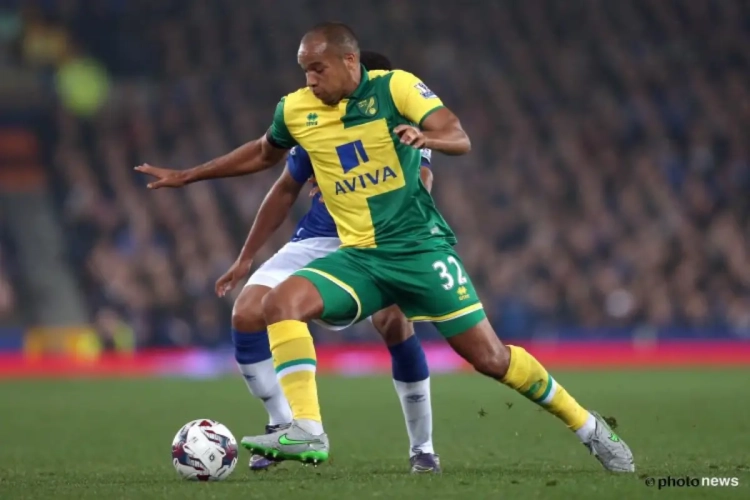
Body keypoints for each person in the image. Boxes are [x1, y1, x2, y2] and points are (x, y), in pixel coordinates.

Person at [136, 22, 635, 473]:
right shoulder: (296, 109)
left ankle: (588, 426)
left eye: (318, 69)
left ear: (350, 61)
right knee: (280, 302)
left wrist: (427, 139)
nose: (310, 79)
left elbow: (458, 135)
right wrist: (190, 175)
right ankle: (305, 429)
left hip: (420, 252)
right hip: (360, 257)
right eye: (304, 70)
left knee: (491, 359)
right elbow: (264, 155)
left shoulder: (396, 88)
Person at [215, 51, 440, 474]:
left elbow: (423, 178)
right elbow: (285, 188)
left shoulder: (403, 121)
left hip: (382, 239)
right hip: (318, 239)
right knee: (246, 312)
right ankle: (283, 424)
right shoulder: (318, 124)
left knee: (394, 321)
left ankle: (423, 448)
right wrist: (246, 257)